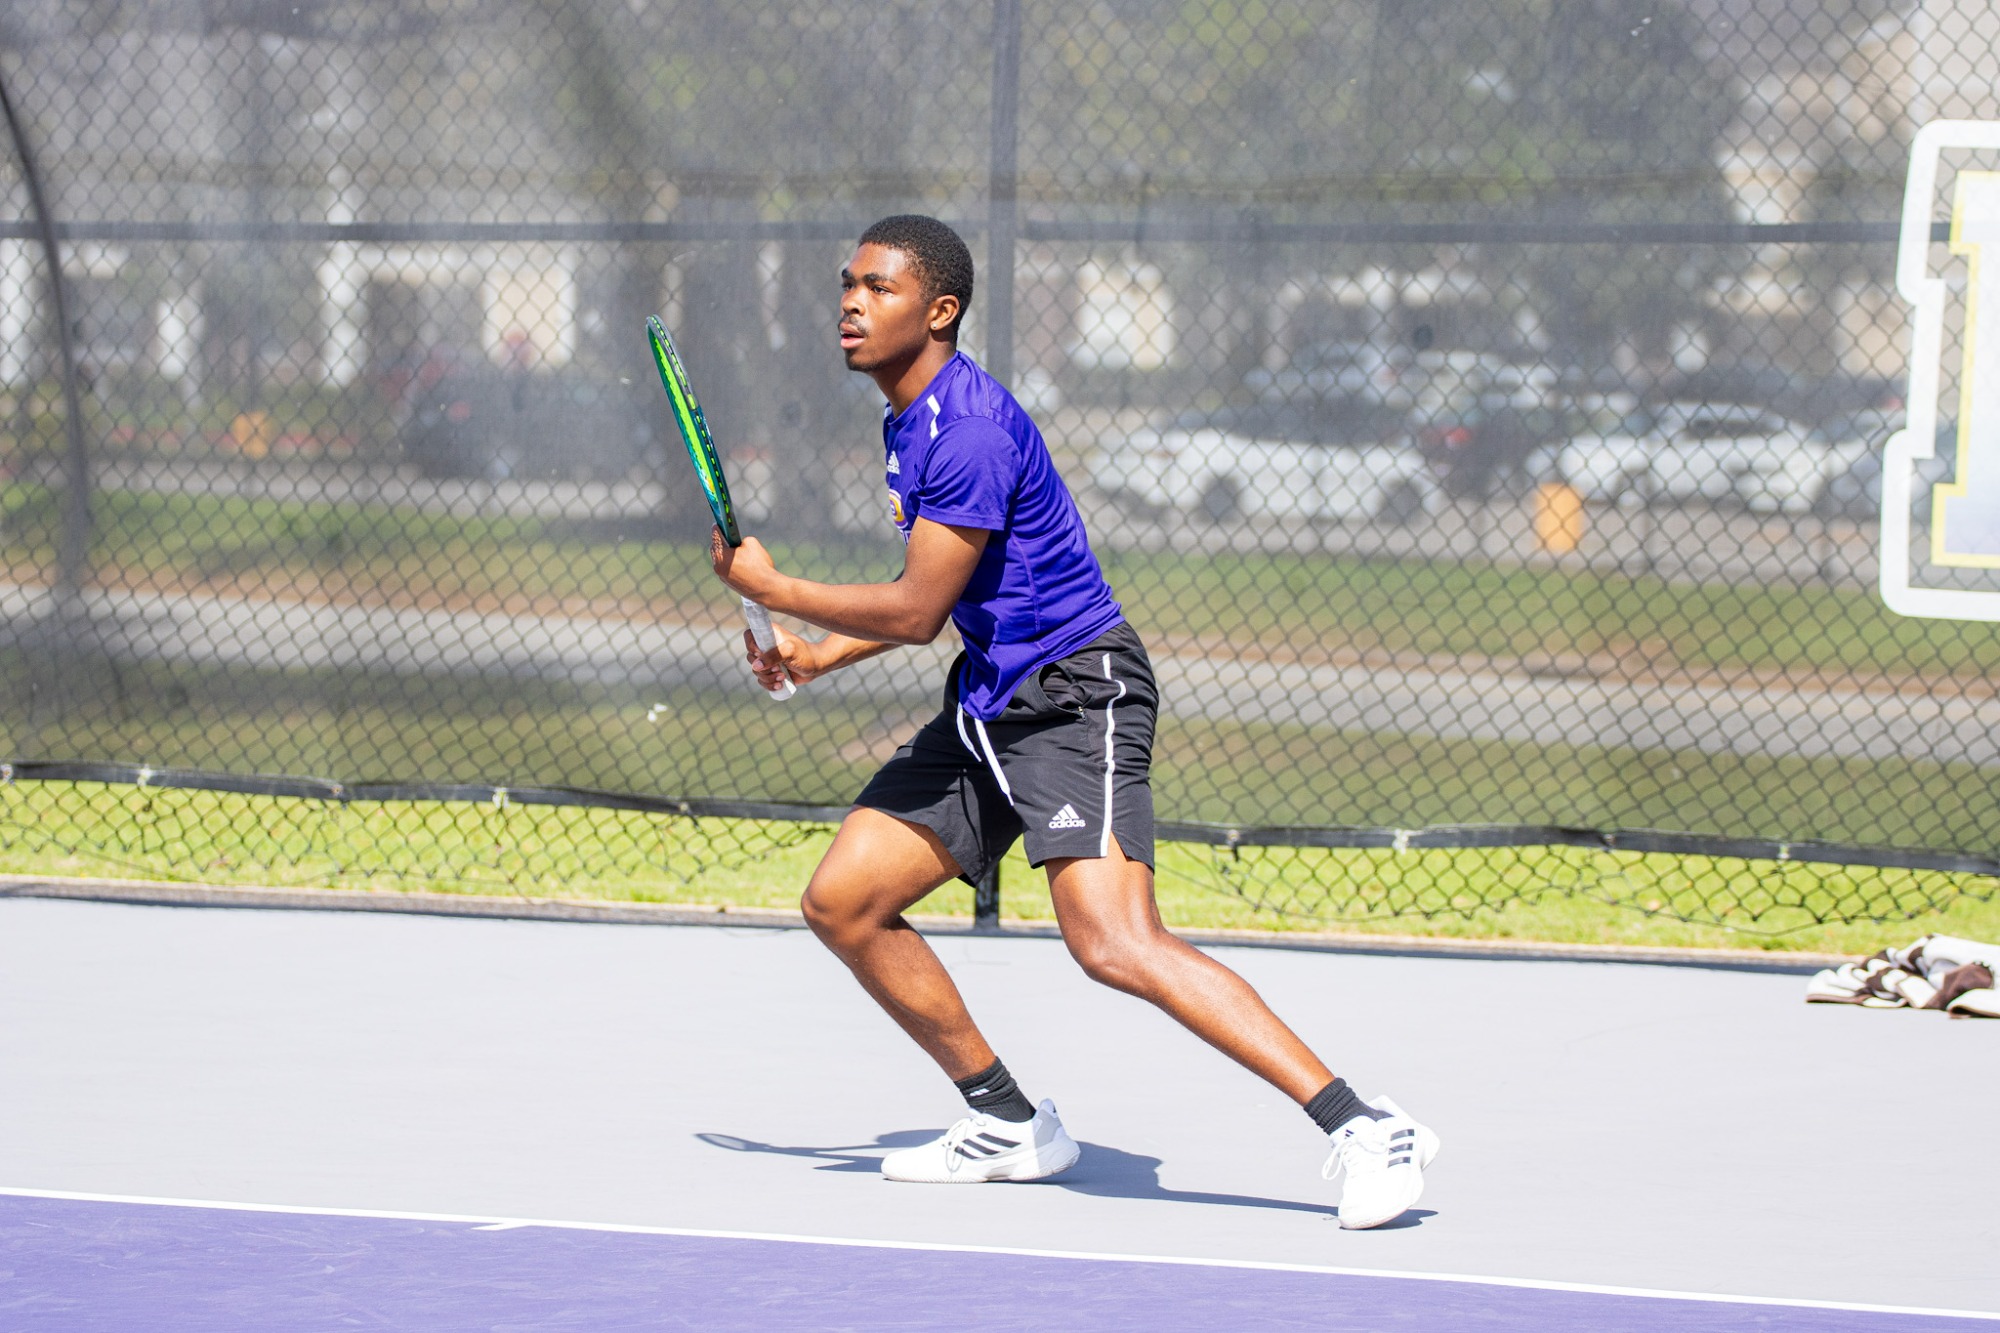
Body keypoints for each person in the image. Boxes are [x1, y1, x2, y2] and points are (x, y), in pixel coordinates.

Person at [709, 215, 1438, 1230]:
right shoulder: (906, 417)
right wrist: (821, 650)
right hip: (989, 699)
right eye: (847, 283)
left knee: (1114, 943)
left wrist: (774, 584)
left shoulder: (962, 429)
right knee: (844, 901)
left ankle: (1362, 1125)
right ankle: (1005, 1122)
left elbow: (916, 611)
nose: (850, 303)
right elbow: (948, 593)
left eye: (877, 288)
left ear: (939, 309)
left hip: (1072, 696)